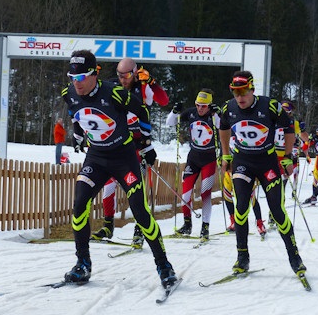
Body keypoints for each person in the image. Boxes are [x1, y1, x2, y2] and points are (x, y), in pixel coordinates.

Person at [60, 50, 176, 289]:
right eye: (73, 77)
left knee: (140, 212)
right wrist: (79, 134)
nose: (76, 83)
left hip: (124, 158)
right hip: (97, 157)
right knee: (80, 203)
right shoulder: (69, 93)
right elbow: (75, 112)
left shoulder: (114, 93)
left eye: (81, 77)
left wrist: (146, 144)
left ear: (94, 74)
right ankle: (82, 264)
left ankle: (164, 265)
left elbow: (142, 111)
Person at [218, 70, 306, 282]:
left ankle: (295, 257)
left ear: (252, 89)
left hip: (267, 162)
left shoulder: (270, 106)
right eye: (235, 92)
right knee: (241, 208)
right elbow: (223, 129)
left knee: (277, 210)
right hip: (243, 162)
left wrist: (286, 156)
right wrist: (226, 155)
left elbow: (289, 130)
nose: (239, 97)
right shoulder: (228, 108)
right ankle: (242, 257)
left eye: (243, 92)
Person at [92, 58, 170, 244]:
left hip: (137, 146)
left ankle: (140, 229)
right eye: (120, 76)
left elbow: (164, 100)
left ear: (135, 72)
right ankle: (108, 226)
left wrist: (152, 82)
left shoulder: (144, 87)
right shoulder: (112, 85)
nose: (123, 80)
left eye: (126, 76)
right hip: (117, 144)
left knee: (136, 190)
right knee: (109, 187)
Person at [166, 90, 220, 242]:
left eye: (203, 106)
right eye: (198, 105)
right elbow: (170, 123)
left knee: (205, 193)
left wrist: (217, 114)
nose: (200, 109)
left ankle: (205, 227)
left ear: (209, 106)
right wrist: (174, 111)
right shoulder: (191, 113)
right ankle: (187, 224)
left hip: (209, 159)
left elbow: (223, 126)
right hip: (193, 159)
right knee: (185, 194)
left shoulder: (213, 116)